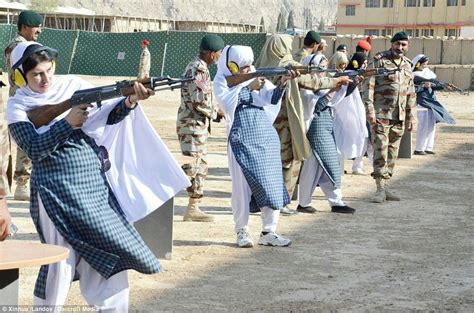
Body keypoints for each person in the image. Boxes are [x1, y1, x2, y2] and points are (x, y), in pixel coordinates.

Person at [6, 41, 190, 311]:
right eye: (37, 75)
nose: (46, 79)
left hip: (94, 190)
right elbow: (34, 148)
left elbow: (108, 115)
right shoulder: (18, 107)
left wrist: (130, 100)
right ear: (21, 77)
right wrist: (67, 123)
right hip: (56, 193)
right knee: (59, 262)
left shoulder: (73, 86)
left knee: (110, 251)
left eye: (48, 70)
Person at [255, 34, 351, 214]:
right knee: (289, 161)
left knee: (274, 161)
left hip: (268, 120)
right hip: (285, 120)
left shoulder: (263, 64)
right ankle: (281, 202)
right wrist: (335, 81)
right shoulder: (285, 66)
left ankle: (269, 200)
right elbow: (310, 82)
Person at [214, 45, 296, 247]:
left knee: (271, 181)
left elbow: (272, 99)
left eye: (250, 65)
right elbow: (226, 104)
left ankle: (269, 231)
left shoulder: (255, 77)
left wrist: (283, 83)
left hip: (264, 135)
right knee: (241, 186)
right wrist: (248, 87)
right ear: (231, 66)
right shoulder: (222, 81)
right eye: (243, 67)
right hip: (241, 136)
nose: (248, 70)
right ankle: (242, 231)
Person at [297, 53, 356, 214]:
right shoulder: (306, 85)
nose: (323, 71)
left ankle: (334, 201)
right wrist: (332, 90)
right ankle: (308, 202)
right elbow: (315, 106)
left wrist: (350, 85)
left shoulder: (324, 83)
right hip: (315, 129)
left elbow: (334, 101)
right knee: (317, 166)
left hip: (325, 127)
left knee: (322, 166)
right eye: (320, 67)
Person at [363, 31, 416, 203]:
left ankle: (387, 186)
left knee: (392, 153)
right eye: (397, 44)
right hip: (381, 116)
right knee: (381, 152)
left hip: (398, 117)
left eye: (403, 45)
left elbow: (411, 93)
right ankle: (379, 189)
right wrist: (370, 111)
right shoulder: (378, 61)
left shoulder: (408, 65)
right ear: (391, 44)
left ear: (407, 46)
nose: (400, 48)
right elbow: (368, 87)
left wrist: (411, 117)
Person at [177, 34, 225, 222]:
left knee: (199, 166)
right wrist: (216, 113)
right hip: (192, 126)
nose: (220, 57)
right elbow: (199, 101)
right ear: (212, 54)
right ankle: (187, 207)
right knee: (191, 167)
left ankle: (193, 207)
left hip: (196, 125)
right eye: (219, 53)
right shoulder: (198, 69)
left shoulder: (199, 66)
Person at [4, 10, 43, 201]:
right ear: (25, 27)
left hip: (32, 99)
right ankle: (22, 184)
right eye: (36, 26)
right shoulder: (19, 47)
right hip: (23, 100)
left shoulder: (27, 45)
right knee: (25, 141)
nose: (39, 30)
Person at [412, 54, 455, 155]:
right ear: (418, 64)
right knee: (423, 125)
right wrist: (424, 86)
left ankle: (428, 147)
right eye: (424, 64)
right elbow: (414, 89)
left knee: (431, 125)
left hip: (431, 102)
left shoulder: (428, 74)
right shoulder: (414, 75)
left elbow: (435, 84)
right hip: (422, 103)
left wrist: (444, 86)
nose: (426, 66)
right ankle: (419, 148)